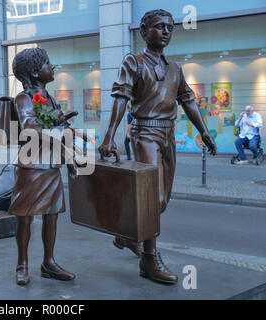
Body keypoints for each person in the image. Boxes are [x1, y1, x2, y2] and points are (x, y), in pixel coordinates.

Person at [98, 9, 216, 284]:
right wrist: (109, 137)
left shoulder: (175, 68)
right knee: (153, 198)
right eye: (159, 26)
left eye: (170, 28)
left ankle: (126, 235)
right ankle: (150, 258)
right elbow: (120, 98)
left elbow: (187, 101)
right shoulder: (134, 62)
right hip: (145, 134)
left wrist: (205, 132)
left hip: (168, 136)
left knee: (162, 200)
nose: (165, 31)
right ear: (143, 32)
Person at [9, 48, 79, 286]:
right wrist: (59, 125)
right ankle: (22, 264)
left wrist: (70, 159)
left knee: (52, 215)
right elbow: (29, 127)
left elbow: (60, 132)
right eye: (49, 63)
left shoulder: (48, 98)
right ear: (35, 71)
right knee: (25, 217)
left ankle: (48, 262)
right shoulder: (23, 98)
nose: (53, 67)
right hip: (31, 166)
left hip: (51, 165)